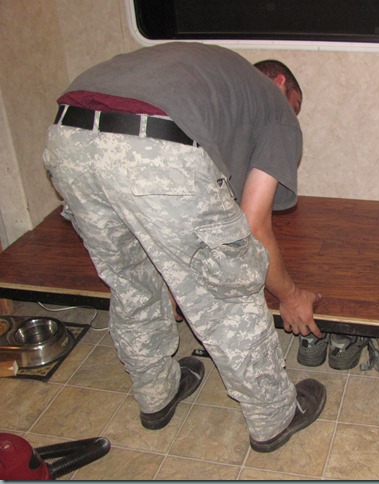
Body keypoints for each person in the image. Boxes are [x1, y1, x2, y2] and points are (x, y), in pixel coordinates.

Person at [43, 42, 325, 453]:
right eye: (294, 106)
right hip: (155, 143)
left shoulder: (211, 78)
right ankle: (274, 416)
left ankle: (157, 394)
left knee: (131, 282)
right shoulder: (273, 103)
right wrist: (290, 295)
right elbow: (253, 225)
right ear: (280, 82)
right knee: (228, 289)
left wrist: (178, 268)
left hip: (68, 137)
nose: (291, 116)